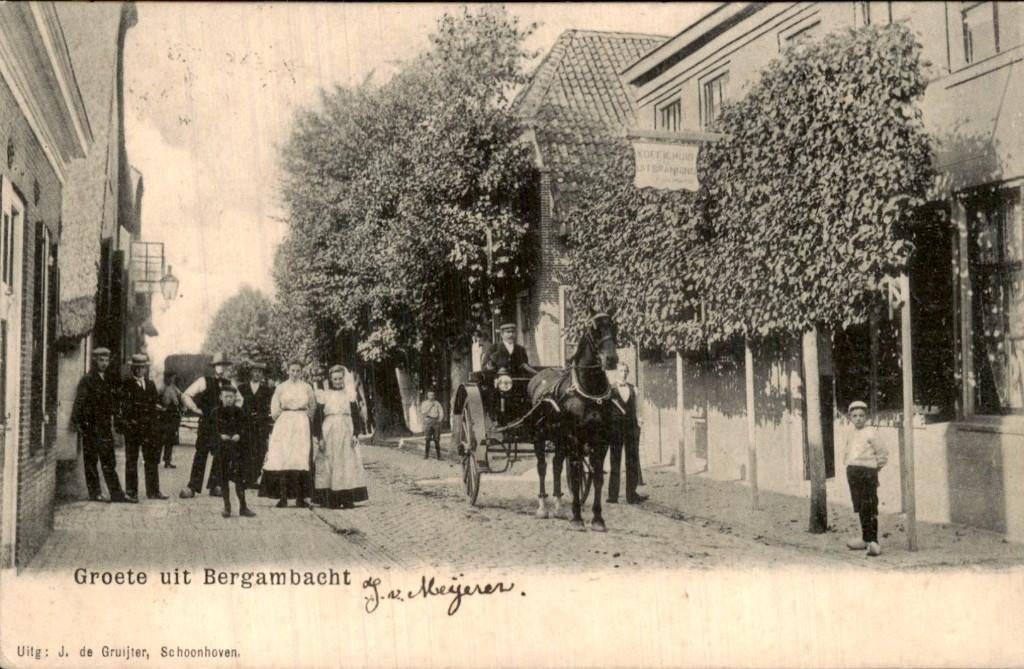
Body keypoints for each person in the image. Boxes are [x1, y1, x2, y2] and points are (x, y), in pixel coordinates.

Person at [70, 347, 131, 503]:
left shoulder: (108, 380)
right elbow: (79, 402)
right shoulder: (88, 380)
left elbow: (112, 402)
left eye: (106, 360)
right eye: (101, 360)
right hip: (90, 426)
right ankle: (95, 493)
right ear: (94, 360)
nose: (104, 363)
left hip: (104, 427)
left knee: (109, 461)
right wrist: (76, 422)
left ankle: (116, 494)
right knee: (91, 462)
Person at [179, 352, 241, 499]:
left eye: (224, 365)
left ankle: (215, 485)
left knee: (220, 454)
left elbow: (239, 400)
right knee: (201, 453)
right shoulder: (204, 381)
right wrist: (196, 409)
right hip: (207, 423)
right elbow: (185, 395)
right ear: (214, 367)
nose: (222, 368)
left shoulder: (229, 383)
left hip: (222, 425)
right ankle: (192, 487)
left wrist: (231, 411)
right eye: (219, 365)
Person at [312, 365, 368, 509]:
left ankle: (347, 498)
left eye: (340, 378)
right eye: (335, 379)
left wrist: (355, 434)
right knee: (330, 463)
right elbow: (318, 418)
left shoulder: (349, 395)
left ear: (344, 379)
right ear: (330, 379)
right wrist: (320, 438)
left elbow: (355, 416)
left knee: (347, 464)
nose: (338, 381)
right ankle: (332, 499)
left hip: (346, 430)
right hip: (329, 431)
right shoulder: (325, 395)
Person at [264, 361, 316, 508]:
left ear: (301, 372)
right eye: (292, 370)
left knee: (300, 458)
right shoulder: (281, 388)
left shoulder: (306, 387)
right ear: (288, 371)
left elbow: (312, 406)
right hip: (285, 422)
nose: (295, 373)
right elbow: (274, 408)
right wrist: (281, 418)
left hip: (301, 423)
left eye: (298, 371)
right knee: (284, 458)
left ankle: (300, 498)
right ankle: (283, 497)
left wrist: (306, 419)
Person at [843, 400, 889, 557]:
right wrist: (848, 465)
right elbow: (847, 451)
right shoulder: (850, 433)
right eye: (854, 416)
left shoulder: (871, 432)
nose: (858, 419)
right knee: (860, 506)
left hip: (868, 472)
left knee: (870, 506)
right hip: (853, 472)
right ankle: (865, 538)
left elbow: (882, 453)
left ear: (866, 416)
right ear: (850, 417)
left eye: (861, 415)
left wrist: (874, 468)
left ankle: (873, 541)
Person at [120, 353, 166, 501]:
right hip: (133, 429)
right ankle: (131, 492)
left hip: (149, 429)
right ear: (132, 368)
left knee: (151, 459)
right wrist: (132, 422)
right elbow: (126, 408)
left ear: (146, 369)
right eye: (137, 367)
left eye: (143, 368)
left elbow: (153, 405)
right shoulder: (126, 385)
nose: (140, 370)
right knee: (132, 460)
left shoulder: (151, 384)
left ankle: (153, 491)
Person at [211, 383, 255, 518]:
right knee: (224, 478)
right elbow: (211, 431)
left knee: (239, 478)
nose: (229, 399)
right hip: (222, 450)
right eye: (226, 396)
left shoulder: (240, 412)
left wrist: (239, 435)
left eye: (231, 397)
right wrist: (220, 436)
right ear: (221, 397)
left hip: (237, 450)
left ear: (235, 398)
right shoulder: (215, 412)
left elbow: (245, 428)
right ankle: (227, 507)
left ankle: (243, 506)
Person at [607, 361, 646, 504]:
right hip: (615, 430)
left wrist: (639, 420)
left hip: (630, 429)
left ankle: (631, 494)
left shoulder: (633, 389)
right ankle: (613, 496)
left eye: (625, 371)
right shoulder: (610, 390)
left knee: (632, 460)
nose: (623, 374)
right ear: (617, 372)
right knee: (615, 461)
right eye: (621, 371)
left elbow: (637, 408)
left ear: (627, 373)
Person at [238, 361, 273, 489]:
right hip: (245, 425)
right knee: (245, 450)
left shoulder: (267, 390)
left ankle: (253, 478)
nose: (257, 374)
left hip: (260, 425)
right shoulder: (242, 388)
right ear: (250, 373)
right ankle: (244, 478)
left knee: (260, 451)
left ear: (262, 374)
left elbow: (270, 408)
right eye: (255, 371)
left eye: (260, 372)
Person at [160, 371, 183, 468]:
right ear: (167, 378)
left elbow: (181, 396)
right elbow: (154, 400)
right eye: (171, 378)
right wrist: (161, 408)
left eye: (173, 378)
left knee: (170, 438)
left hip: (173, 415)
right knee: (161, 438)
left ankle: (167, 460)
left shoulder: (173, 387)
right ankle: (157, 459)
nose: (173, 380)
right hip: (164, 415)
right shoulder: (161, 387)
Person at [419, 390, 444, 459]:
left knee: (437, 439)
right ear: (427, 395)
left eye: (432, 395)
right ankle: (426, 455)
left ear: (434, 395)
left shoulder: (437, 403)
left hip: (436, 421)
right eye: (430, 395)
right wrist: (430, 406)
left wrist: (440, 419)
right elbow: (423, 413)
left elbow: (441, 411)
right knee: (427, 438)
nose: (431, 397)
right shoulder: (424, 403)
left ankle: (439, 456)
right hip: (428, 421)